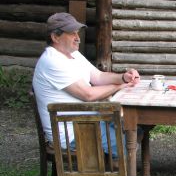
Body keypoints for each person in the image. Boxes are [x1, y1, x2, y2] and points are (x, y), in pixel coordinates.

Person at [33, 12, 140, 158]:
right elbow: (88, 94)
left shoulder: (73, 54)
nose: (78, 38)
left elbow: (98, 76)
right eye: (72, 34)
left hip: (87, 122)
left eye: (77, 33)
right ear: (55, 37)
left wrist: (123, 77)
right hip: (71, 133)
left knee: (135, 129)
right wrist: (119, 87)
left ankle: (118, 171)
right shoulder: (52, 61)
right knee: (129, 142)